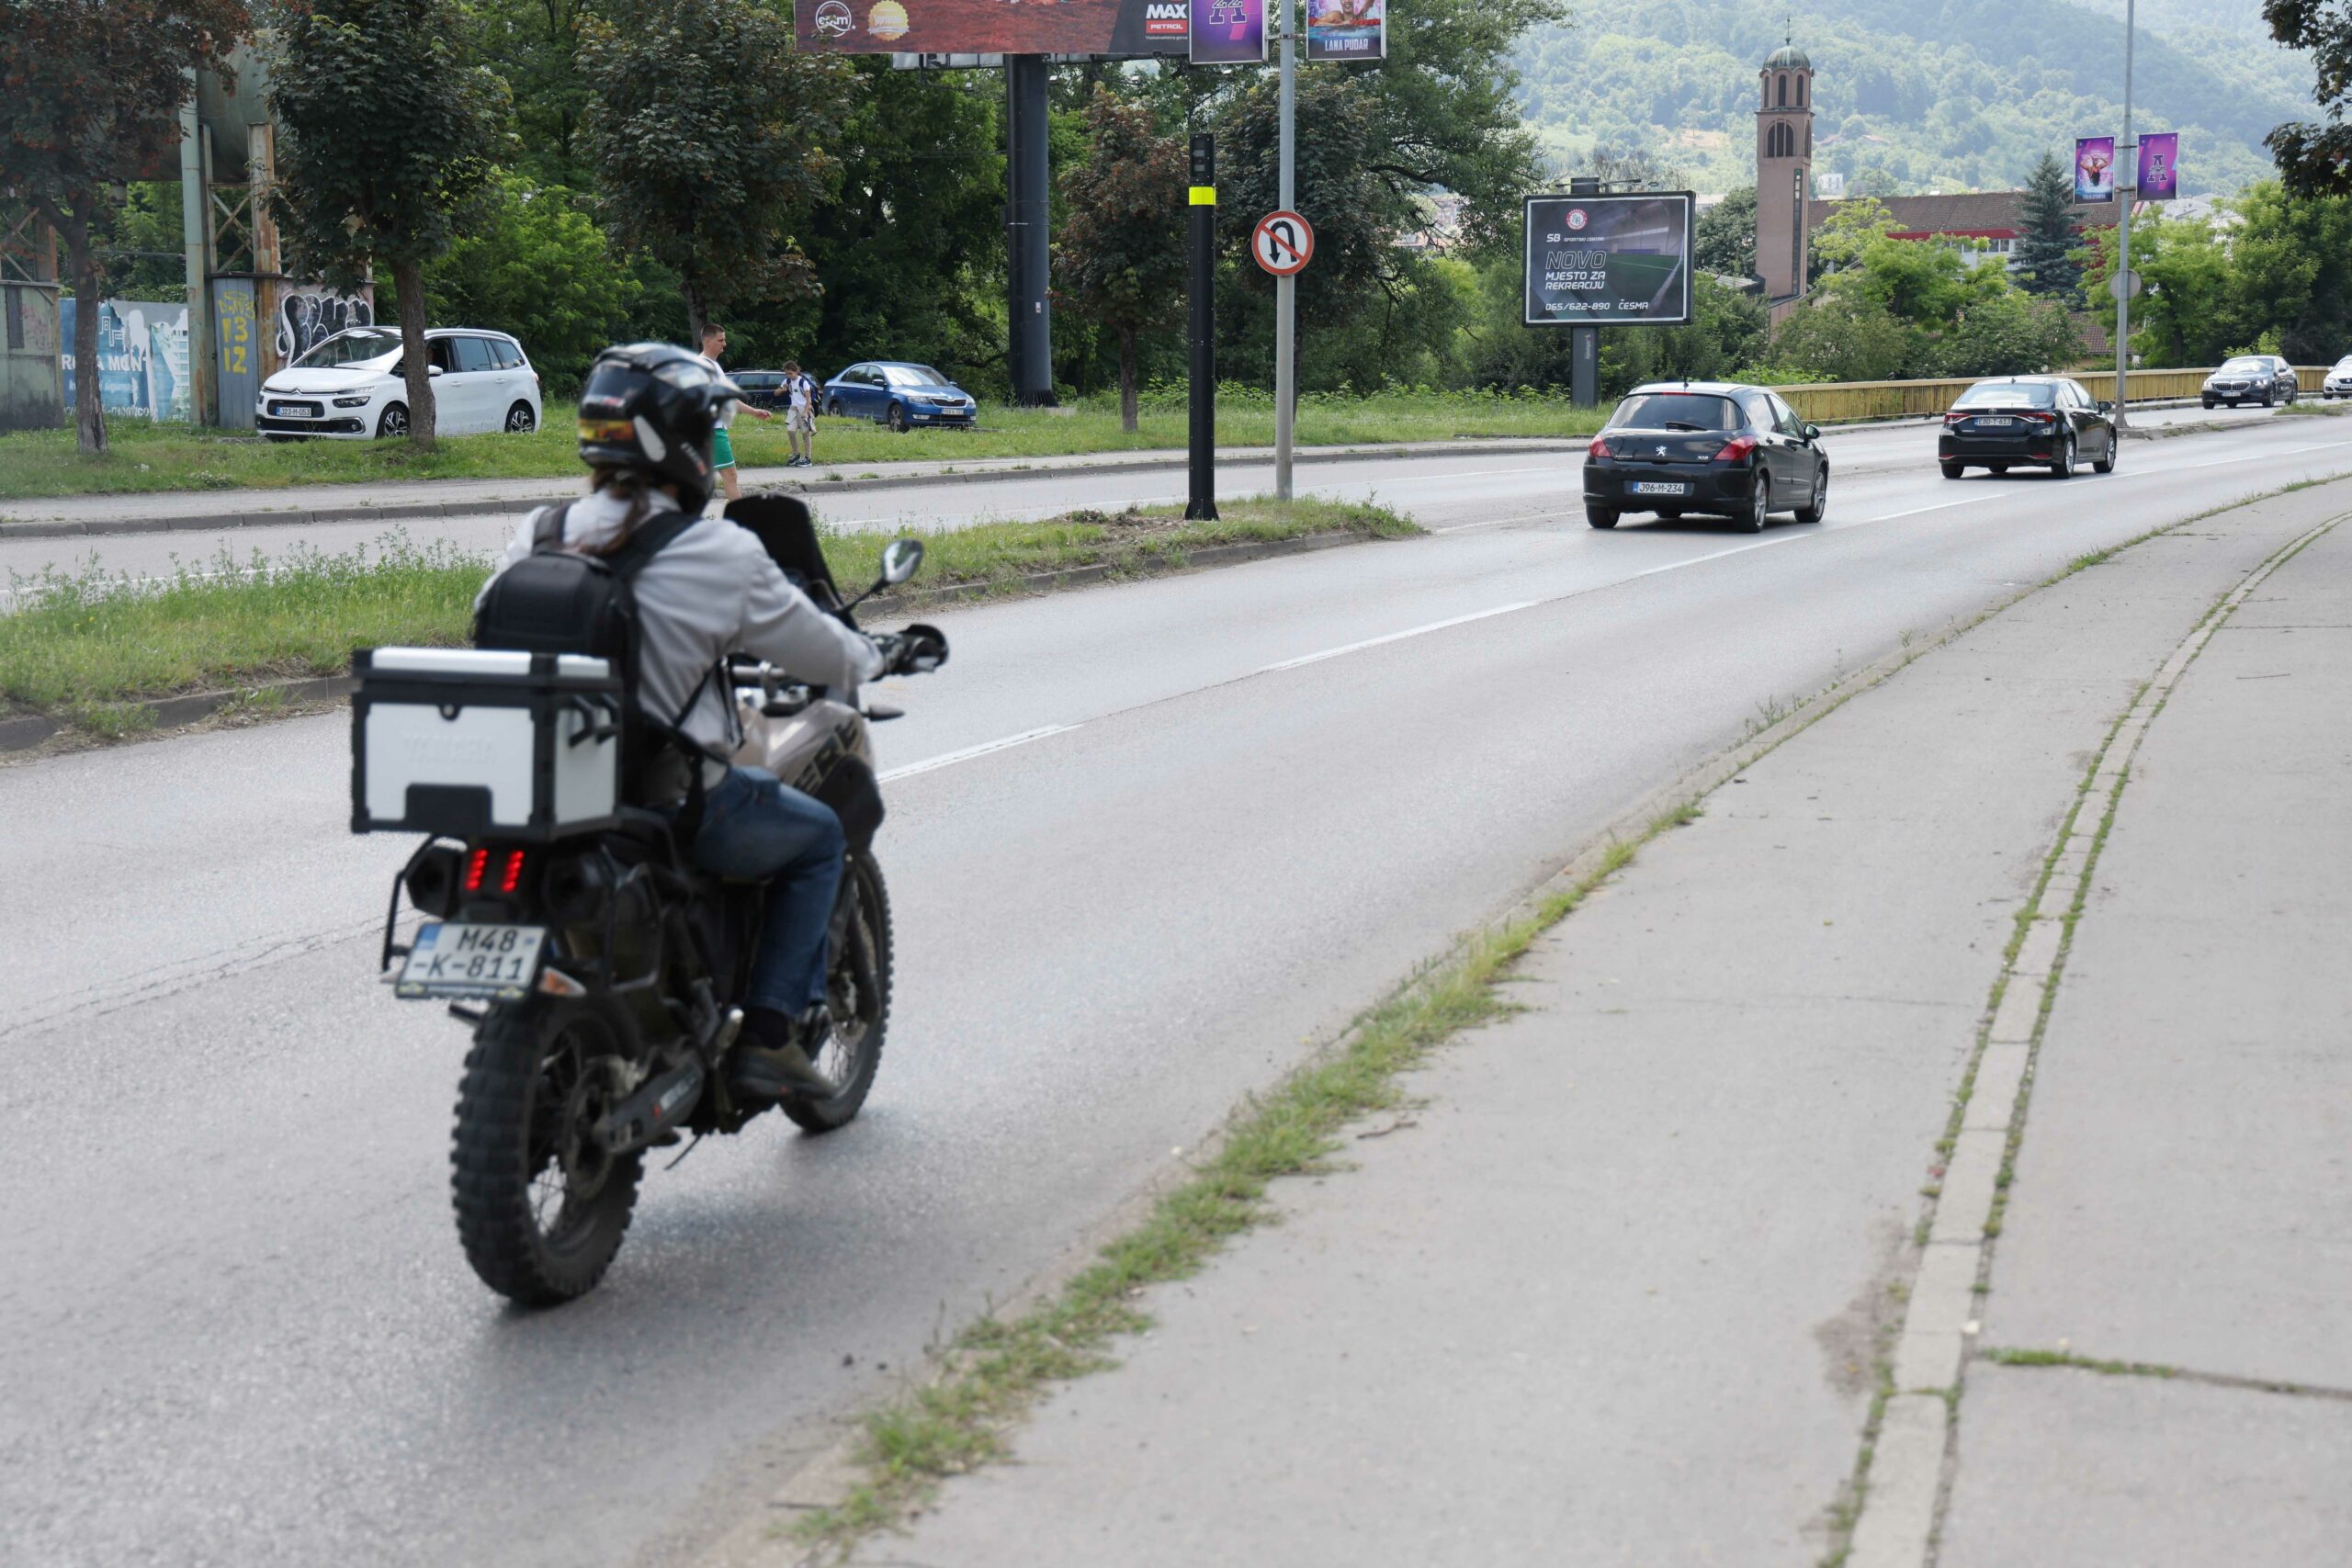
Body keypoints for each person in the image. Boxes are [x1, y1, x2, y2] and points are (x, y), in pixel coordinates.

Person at [479, 342, 897, 1100]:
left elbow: (486, 623)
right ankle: (770, 1035)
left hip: (547, 797)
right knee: (818, 839)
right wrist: (872, 657)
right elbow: (818, 647)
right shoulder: (717, 551)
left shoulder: (539, 533)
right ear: (681, 444)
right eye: (707, 431)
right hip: (668, 802)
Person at [695, 322, 772, 506]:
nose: (725, 344)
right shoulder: (705, 366)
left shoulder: (711, 366)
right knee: (729, 475)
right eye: (720, 340)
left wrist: (753, 411)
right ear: (707, 341)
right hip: (712, 430)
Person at [782, 359, 820, 468]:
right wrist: (781, 390)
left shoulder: (803, 382)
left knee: (805, 434)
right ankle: (796, 454)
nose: (788, 375)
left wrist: (806, 412)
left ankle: (808, 458)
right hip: (793, 410)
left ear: (796, 371)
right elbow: (778, 391)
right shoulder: (788, 382)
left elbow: (809, 400)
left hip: (804, 409)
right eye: (787, 373)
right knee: (790, 431)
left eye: (790, 373)